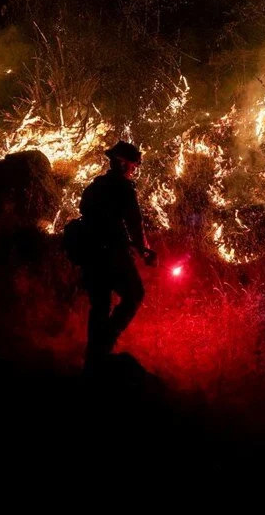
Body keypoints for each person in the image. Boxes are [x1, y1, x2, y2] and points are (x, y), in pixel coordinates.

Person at [78, 140, 157, 370]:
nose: (134, 171)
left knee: (100, 304)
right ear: (123, 164)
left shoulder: (96, 185)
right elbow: (134, 222)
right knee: (134, 295)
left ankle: (93, 358)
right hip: (110, 253)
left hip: (90, 253)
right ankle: (103, 345)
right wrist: (145, 251)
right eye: (133, 166)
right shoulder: (122, 188)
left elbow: (86, 211)